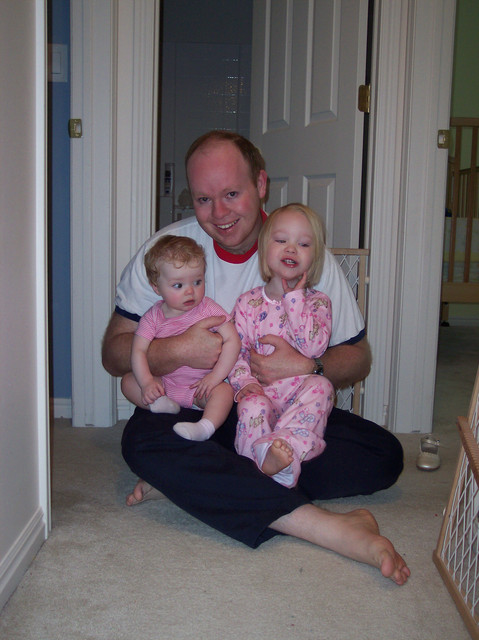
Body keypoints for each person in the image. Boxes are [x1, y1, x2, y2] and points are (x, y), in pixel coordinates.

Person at [102, 130, 410, 585]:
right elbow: (114, 352)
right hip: (196, 407)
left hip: (282, 412)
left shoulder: (300, 250)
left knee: (383, 455)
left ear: (261, 184)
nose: (219, 214)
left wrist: (309, 367)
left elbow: (358, 358)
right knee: (142, 442)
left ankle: (202, 482)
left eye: (231, 194)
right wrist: (179, 349)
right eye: (203, 199)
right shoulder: (169, 253)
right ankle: (328, 528)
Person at [230, 203, 334, 487]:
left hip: (298, 396)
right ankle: (257, 466)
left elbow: (314, 349)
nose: (291, 249)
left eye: (303, 244)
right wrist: (243, 383)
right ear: (265, 250)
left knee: (322, 387)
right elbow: (235, 351)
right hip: (261, 391)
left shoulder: (318, 302)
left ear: (314, 258)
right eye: (281, 241)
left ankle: (278, 452)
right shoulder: (247, 303)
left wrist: (295, 300)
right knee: (251, 406)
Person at [121, 235, 241, 441]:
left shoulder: (208, 308)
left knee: (225, 392)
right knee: (128, 382)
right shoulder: (153, 317)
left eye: (197, 281)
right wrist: (148, 382)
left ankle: (204, 427)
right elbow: (138, 350)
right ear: (156, 287)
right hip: (165, 385)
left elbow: (233, 340)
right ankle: (158, 405)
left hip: (200, 388)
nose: (190, 291)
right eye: (178, 285)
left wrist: (216, 377)